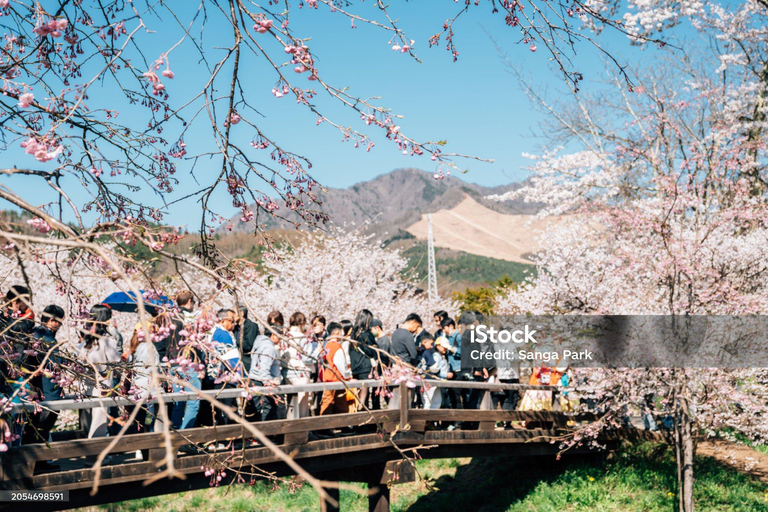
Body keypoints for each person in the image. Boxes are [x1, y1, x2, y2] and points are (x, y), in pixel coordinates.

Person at [23, 305, 65, 447]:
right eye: (59, 321)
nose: (60, 325)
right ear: (51, 320)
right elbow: (53, 363)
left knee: (38, 428)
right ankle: (38, 463)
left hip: (44, 390)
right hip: (46, 392)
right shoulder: (41, 336)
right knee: (40, 427)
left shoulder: (37, 334)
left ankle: (39, 462)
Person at [78, 304, 121, 438]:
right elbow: (117, 362)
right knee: (99, 423)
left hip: (85, 386)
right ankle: (96, 454)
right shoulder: (108, 342)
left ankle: (91, 451)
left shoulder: (83, 343)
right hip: (102, 387)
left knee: (88, 422)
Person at [168, 290, 204, 430]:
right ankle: (186, 435)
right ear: (189, 301)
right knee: (193, 402)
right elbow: (197, 344)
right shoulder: (191, 319)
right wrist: (200, 365)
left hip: (173, 363)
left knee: (179, 402)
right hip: (189, 363)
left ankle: (175, 432)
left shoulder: (171, 318)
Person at [124, 318, 160, 433]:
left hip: (136, 385)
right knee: (150, 418)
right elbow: (150, 367)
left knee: (138, 417)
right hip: (148, 386)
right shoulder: (148, 347)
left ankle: (139, 446)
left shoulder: (134, 347)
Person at [248, 325, 282, 422]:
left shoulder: (259, 343)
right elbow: (264, 368)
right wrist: (269, 383)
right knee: (268, 409)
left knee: (258, 410)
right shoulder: (269, 348)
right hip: (263, 381)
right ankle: (264, 434)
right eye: (279, 336)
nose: (280, 339)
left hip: (255, 379)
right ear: (273, 335)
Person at [318, 322, 354, 415]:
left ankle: (327, 425)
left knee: (329, 401)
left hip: (327, 377)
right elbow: (340, 364)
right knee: (339, 403)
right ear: (338, 332)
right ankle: (341, 425)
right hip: (336, 378)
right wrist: (348, 376)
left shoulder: (326, 346)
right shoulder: (336, 347)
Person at [282, 312, 312, 419]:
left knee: (290, 403)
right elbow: (307, 358)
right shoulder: (303, 337)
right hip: (301, 373)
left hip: (287, 371)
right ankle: (303, 430)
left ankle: (291, 426)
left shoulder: (285, 336)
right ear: (302, 322)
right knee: (302, 404)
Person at [349, 309, 378, 410]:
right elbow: (371, 350)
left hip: (355, 366)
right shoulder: (366, 334)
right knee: (364, 395)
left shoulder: (353, 334)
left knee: (357, 393)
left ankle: (357, 415)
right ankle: (364, 417)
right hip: (365, 367)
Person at [419, 337, 449, 411]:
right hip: (430, 380)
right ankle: (430, 420)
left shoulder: (422, 352)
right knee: (434, 401)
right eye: (431, 344)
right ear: (425, 342)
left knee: (428, 402)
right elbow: (434, 368)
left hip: (426, 379)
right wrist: (441, 373)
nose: (432, 346)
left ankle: (428, 420)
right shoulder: (428, 353)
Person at [235, 304, 259, 377]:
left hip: (248, 362)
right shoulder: (235, 328)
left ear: (241, 313)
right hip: (237, 363)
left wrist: (236, 341)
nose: (232, 316)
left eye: (234, 313)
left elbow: (249, 345)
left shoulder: (251, 326)